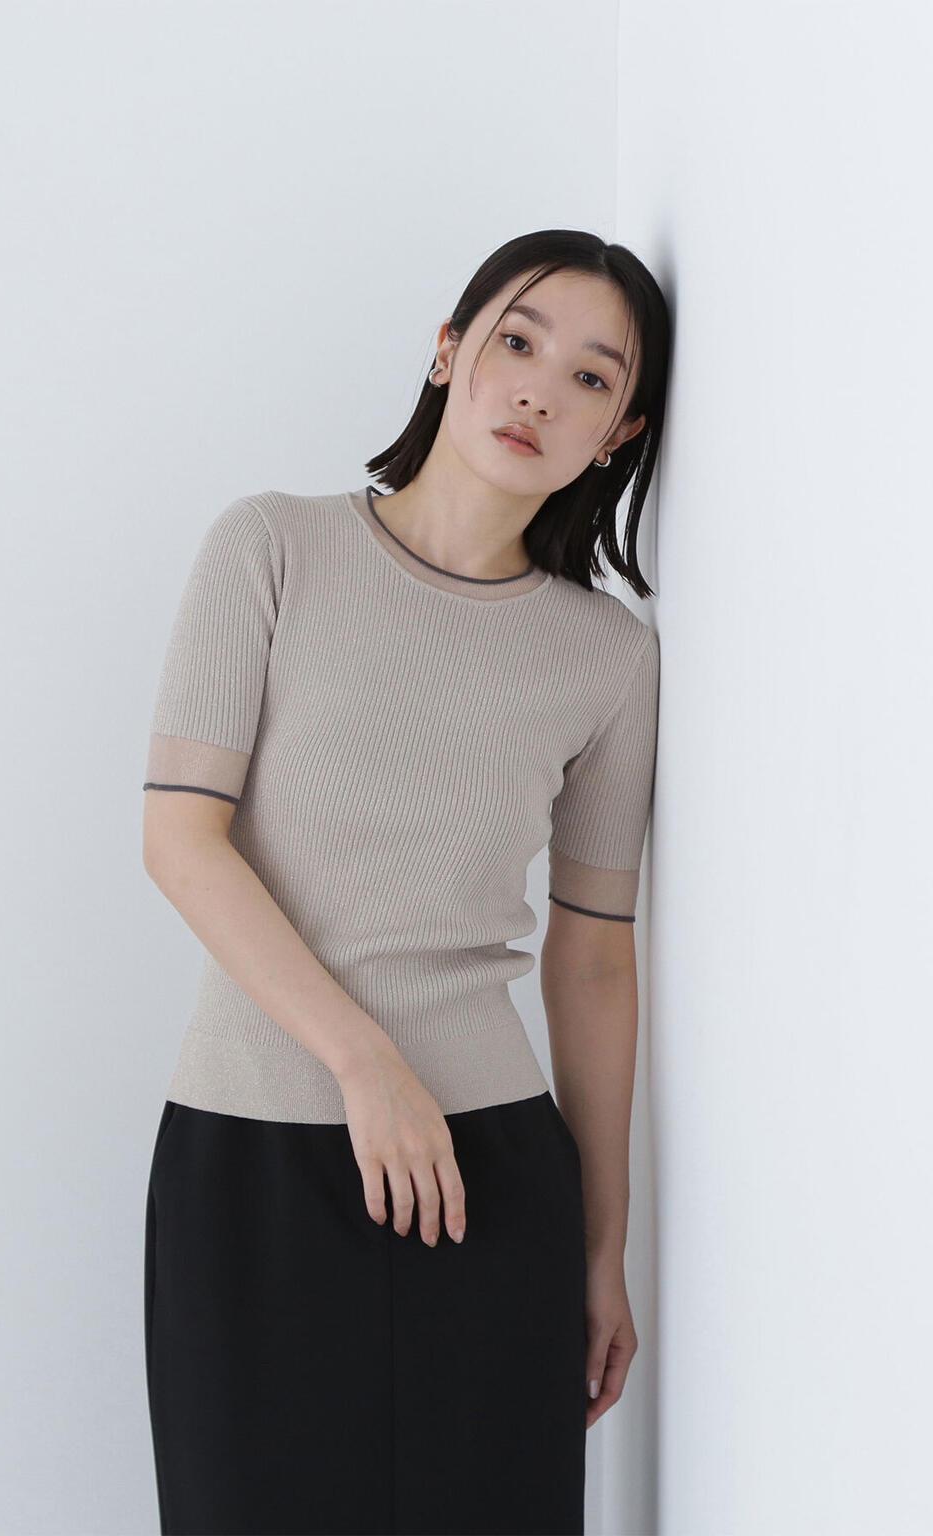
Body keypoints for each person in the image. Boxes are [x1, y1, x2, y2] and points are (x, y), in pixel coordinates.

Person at [139, 228, 669, 1536]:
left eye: (591, 379)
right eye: (517, 341)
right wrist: (365, 1065)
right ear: (448, 352)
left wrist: (602, 1247)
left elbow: (595, 954)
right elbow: (181, 842)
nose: (540, 390)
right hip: (255, 1156)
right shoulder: (272, 547)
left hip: (493, 1171)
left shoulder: (607, 658)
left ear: (617, 435)